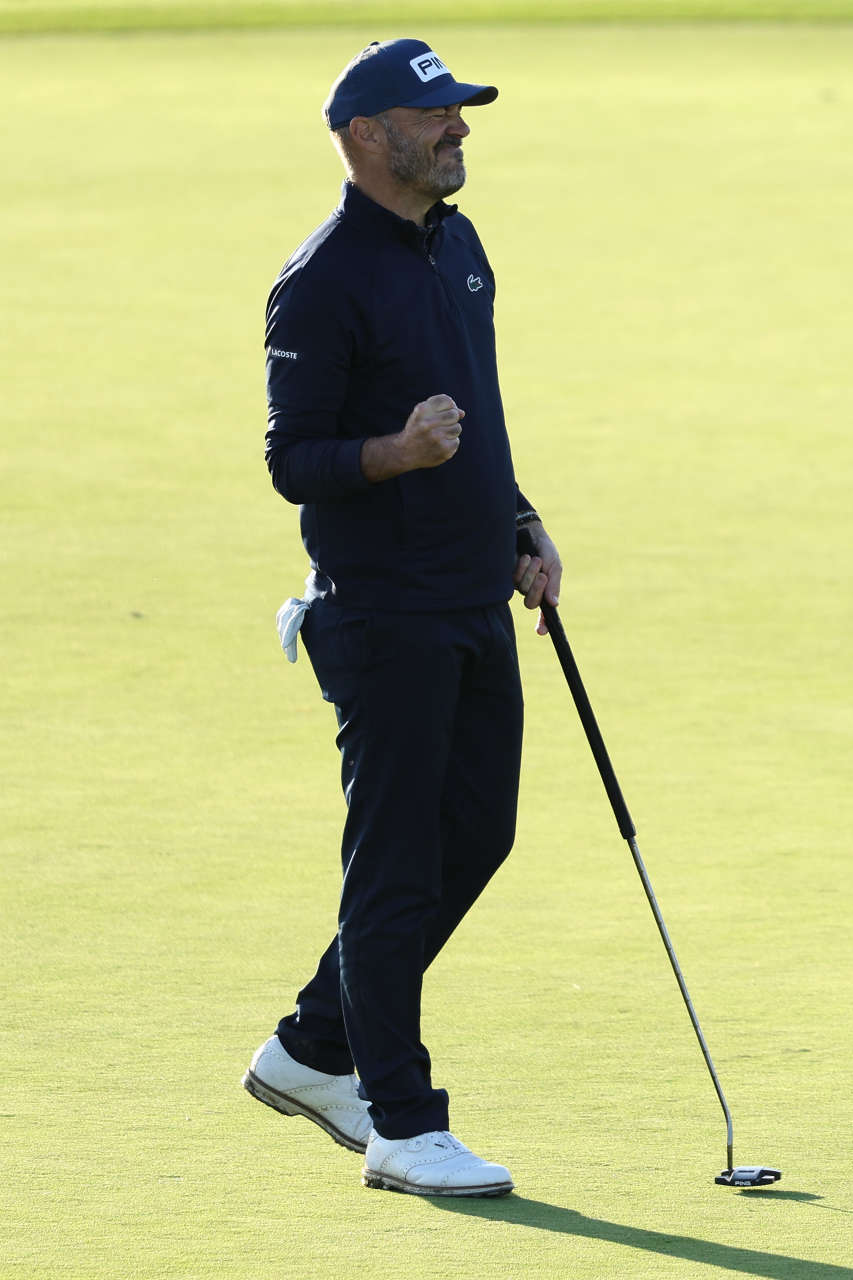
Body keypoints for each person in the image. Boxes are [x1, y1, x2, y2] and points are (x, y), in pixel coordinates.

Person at [241, 38, 560, 1199]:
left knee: (475, 835)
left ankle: (314, 1046)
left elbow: (480, 408)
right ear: (371, 136)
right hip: (384, 617)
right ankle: (401, 1120)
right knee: (392, 868)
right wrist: (396, 452)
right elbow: (293, 459)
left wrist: (521, 523)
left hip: (473, 594)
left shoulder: (457, 245)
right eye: (438, 117)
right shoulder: (321, 279)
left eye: (461, 113)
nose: (461, 130)